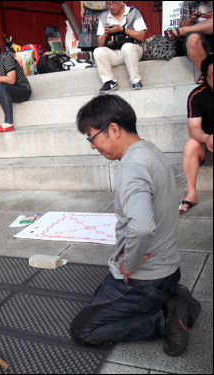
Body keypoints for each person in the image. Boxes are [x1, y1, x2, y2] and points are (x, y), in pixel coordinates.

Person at [70, 94, 201, 357]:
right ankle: (175, 296)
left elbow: (141, 227)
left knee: (84, 329)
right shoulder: (150, 149)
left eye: (92, 137)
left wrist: (131, 260)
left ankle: (166, 319)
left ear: (114, 129)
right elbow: (176, 179)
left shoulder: (131, 168)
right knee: (98, 298)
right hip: (167, 268)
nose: (93, 146)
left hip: (143, 280)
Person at [180, 54, 213, 214]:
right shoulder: (197, 95)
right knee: (191, 144)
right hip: (208, 145)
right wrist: (207, 138)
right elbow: (194, 127)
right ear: (206, 77)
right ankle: (192, 193)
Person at [93, 1, 147, 92]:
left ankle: (136, 81)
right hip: (115, 52)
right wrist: (106, 34)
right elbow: (100, 44)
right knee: (98, 51)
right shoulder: (104, 16)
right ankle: (109, 81)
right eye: (108, 4)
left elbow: (141, 36)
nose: (111, 7)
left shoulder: (133, 12)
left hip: (133, 49)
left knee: (127, 47)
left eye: (114, 3)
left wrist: (122, 29)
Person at [166, 1, 213, 84]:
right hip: (199, 37)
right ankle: (205, 73)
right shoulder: (189, 3)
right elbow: (182, 23)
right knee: (192, 38)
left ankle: (184, 31)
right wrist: (191, 20)